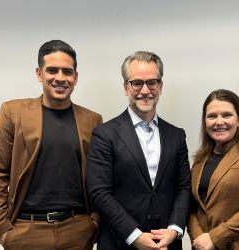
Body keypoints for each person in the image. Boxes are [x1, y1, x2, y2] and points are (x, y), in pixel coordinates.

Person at [0, 40, 102, 250]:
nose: (60, 78)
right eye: (52, 70)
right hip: (26, 231)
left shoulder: (92, 120)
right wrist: (1, 229)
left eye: (67, 72)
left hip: (77, 231)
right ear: (39, 74)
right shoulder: (13, 112)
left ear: (75, 77)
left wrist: (93, 223)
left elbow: (100, 178)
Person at [87, 51, 191, 250]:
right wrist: (133, 235)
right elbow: (99, 192)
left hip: (167, 242)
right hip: (120, 242)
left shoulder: (177, 135)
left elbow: (183, 187)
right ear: (126, 87)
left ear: (160, 87)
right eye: (137, 83)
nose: (145, 90)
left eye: (152, 82)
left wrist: (175, 228)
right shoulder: (104, 134)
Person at [187, 89, 239, 250]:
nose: (219, 122)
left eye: (226, 115)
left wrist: (215, 237)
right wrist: (199, 237)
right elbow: (191, 207)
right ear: (205, 122)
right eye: (212, 116)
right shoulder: (199, 160)